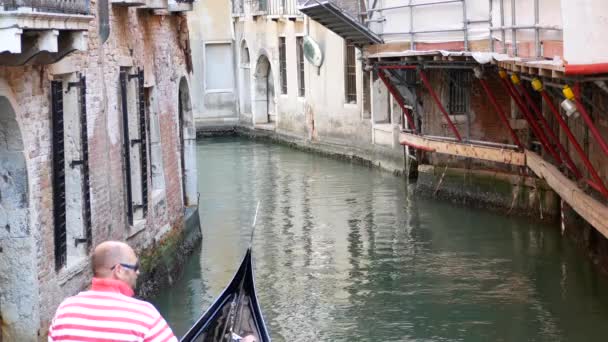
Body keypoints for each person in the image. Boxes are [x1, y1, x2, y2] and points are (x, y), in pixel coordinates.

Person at [48, 241, 177, 342]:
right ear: (119, 270)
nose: (138, 272)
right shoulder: (145, 315)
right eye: (135, 267)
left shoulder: (64, 310)